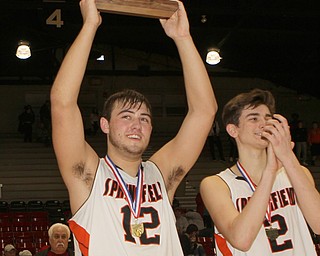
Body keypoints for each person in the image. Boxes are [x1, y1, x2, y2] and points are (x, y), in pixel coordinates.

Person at [50, 0, 217, 255]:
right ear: (104, 124)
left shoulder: (161, 174)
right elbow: (62, 104)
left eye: (144, 118)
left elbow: (205, 112)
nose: (137, 124)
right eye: (126, 116)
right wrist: (90, 26)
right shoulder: (89, 176)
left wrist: (182, 37)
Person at [200, 89, 320, 255]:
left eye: (268, 118)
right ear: (233, 130)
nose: (264, 124)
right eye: (254, 118)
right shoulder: (216, 184)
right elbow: (241, 240)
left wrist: (288, 157)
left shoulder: (297, 172)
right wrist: (270, 171)